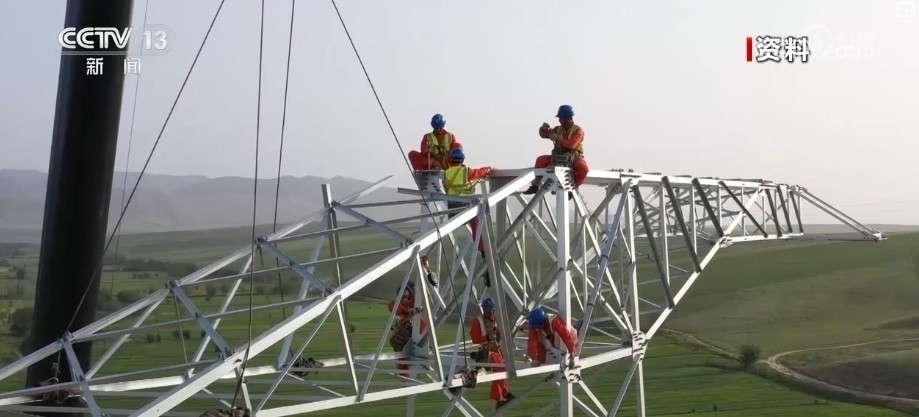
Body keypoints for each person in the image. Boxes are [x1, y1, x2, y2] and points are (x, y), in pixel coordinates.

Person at [443, 148, 493, 285]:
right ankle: (484, 253)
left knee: (475, 225)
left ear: (450, 159)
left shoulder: (446, 173)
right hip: (466, 207)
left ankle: (483, 253)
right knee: (479, 228)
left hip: (453, 209)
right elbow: (479, 173)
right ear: (462, 160)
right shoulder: (466, 171)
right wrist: (488, 169)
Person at [522, 105, 589, 199]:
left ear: (568, 119)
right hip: (558, 157)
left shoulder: (578, 131)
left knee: (583, 168)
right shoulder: (558, 129)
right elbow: (544, 135)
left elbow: (572, 145)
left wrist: (557, 139)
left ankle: (574, 187)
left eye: (561, 118)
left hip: (573, 157)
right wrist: (543, 129)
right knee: (540, 160)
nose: (559, 120)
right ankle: (535, 185)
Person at [469, 297, 515, 409]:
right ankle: (498, 396)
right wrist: (487, 337)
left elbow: (498, 335)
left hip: (495, 350)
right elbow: (475, 339)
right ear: (484, 310)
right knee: (499, 368)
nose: (492, 313)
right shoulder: (478, 322)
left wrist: (500, 333)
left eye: (493, 311)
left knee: (504, 366)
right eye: (490, 311)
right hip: (485, 351)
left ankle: (503, 392)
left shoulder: (494, 320)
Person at [388, 281, 429, 378]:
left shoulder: (414, 305)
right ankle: (405, 376)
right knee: (399, 346)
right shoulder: (395, 305)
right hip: (405, 333)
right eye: (402, 297)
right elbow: (395, 308)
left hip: (416, 333)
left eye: (406, 296)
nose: (404, 299)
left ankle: (408, 374)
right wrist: (408, 312)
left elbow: (417, 304)